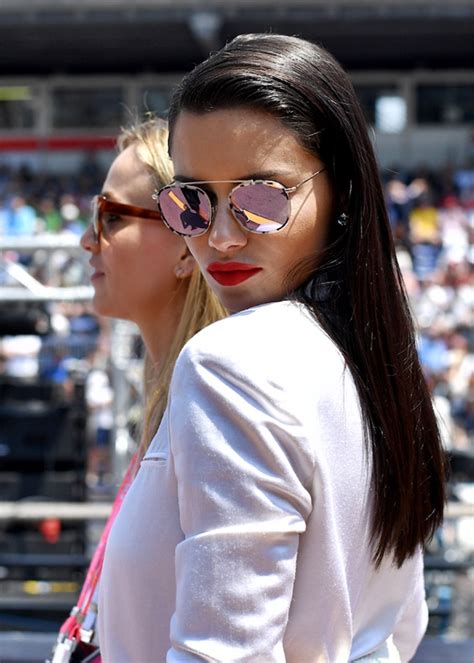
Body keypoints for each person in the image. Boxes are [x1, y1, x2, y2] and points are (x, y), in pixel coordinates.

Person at [99, 36, 446, 662]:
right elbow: (396, 632)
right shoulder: (374, 364)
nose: (222, 236)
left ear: (341, 192)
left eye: (261, 199)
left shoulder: (231, 361)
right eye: (192, 200)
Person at [50, 117, 225, 661]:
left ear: (184, 247)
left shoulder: (216, 408)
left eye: (110, 216)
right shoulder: (178, 397)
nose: (87, 240)